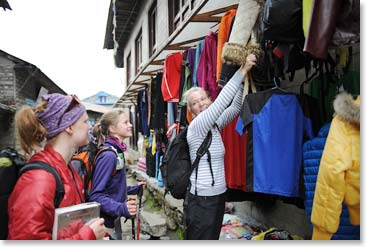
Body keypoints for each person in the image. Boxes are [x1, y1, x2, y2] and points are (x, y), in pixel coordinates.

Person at [8, 93, 106, 240]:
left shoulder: (67, 168)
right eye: (85, 121)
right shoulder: (39, 178)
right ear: (69, 127)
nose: (90, 126)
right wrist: (88, 235)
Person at [183, 53, 257, 240]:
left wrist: (242, 83)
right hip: (201, 201)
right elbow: (222, 103)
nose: (201, 104)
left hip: (217, 197)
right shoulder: (198, 125)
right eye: (195, 103)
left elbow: (234, 108)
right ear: (191, 110)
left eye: (203, 98)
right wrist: (242, 70)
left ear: (209, 98)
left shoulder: (214, 126)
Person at [89, 109, 146, 236]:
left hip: (113, 220)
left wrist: (133, 188)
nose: (130, 125)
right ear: (112, 129)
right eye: (125, 122)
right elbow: (96, 195)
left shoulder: (117, 151)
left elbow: (112, 187)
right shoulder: (109, 156)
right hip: (104, 225)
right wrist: (122, 208)